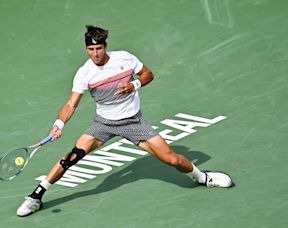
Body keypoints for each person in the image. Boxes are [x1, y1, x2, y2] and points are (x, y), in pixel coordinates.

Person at [16, 25, 233, 217]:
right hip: (103, 123)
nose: (95, 54)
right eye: (91, 50)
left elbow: (148, 74)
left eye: (98, 48)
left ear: (105, 46)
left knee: (173, 161)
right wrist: (59, 124)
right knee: (71, 157)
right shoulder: (84, 73)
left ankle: (203, 178)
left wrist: (134, 85)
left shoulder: (125, 59)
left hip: (133, 122)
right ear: (86, 50)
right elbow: (71, 104)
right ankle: (36, 195)